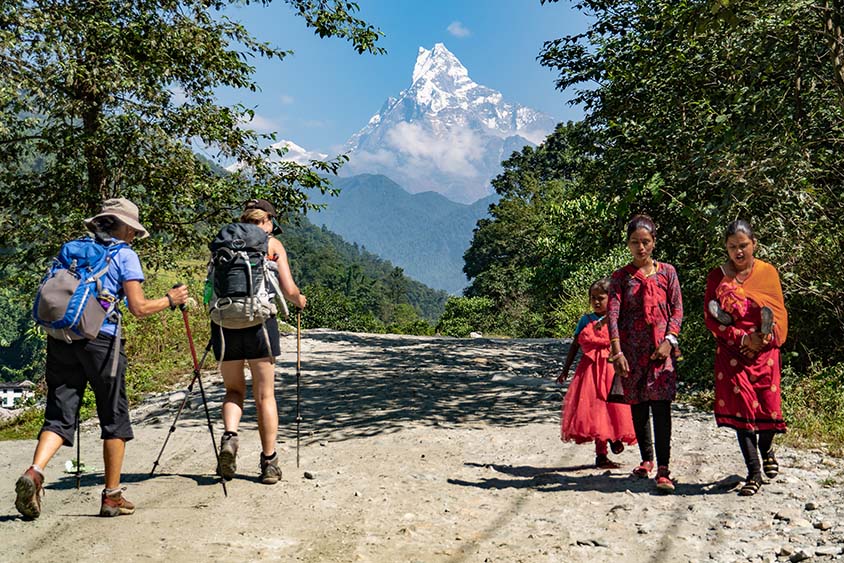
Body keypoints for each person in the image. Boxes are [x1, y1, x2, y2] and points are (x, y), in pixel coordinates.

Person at [15, 198, 189, 519]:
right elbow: (138, 308)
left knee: (59, 413)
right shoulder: (125, 255)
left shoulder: (71, 247)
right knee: (113, 416)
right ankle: (111, 496)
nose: (134, 236)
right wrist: (171, 298)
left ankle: (35, 472)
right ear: (121, 226)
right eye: (132, 230)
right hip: (101, 341)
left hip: (61, 337)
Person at [213, 199, 307, 484]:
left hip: (224, 322)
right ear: (267, 220)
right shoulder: (272, 245)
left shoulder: (224, 241)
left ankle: (230, 437)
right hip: (259, 324)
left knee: (233, 391)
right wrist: (300, 300)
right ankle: (269, 463)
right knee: (265, 395)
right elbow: (289, 290)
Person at [704, 219, 787, 496]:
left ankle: (766, 449)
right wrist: (741, 339)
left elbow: (779, 312)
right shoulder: (717, 277)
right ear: (726, 249)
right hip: (733, 351)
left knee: (768, 407)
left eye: (743, 246)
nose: (738, 252)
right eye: (732, 247)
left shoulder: (767, 272)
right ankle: (753, 473)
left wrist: (760, 339)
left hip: (765, 349)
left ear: (754, 244)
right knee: (743, 411)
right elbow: (710, 318)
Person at [607, 214, 683, 493]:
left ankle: (663, 468)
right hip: (632, 351)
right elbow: (613, 316)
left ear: (653, 243)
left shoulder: (668, 273)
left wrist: (669, 340)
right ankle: (646, 458)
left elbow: (677, 309)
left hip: (661, 351)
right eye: (635, 242)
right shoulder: (620, 278)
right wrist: (617, 352)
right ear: (628, 244)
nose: (641, 247)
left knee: (661, 407)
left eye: (645, 242)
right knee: (638, 407)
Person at [558, 278, 637, 468]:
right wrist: (565, 370)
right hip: (590, 372)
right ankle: (601, 454)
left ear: (611, 299)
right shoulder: (586, 320)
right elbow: (575, 345)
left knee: (614, 406)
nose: (596, 302)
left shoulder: (617, 319)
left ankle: (614, 438)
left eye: (600, 298)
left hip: (611, 370)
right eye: (593, 298)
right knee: (596, 409)